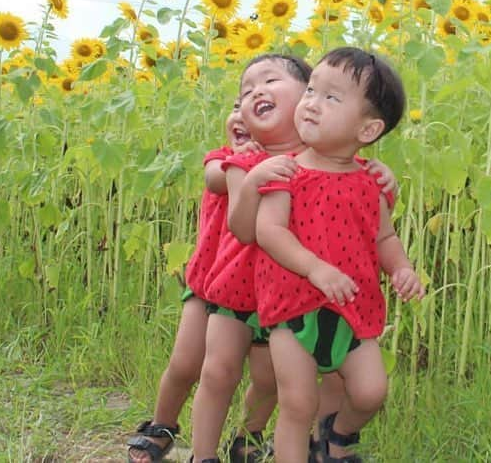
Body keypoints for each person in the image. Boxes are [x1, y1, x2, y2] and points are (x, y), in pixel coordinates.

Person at [189, 53, 398, 463]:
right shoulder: (249, 159)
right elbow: (243, 227)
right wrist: (251, 184)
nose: (254, 94)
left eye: (270, 84)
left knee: (274, 383)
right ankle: (202, 455)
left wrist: (387, 181)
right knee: (219, 372)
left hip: (292, 293)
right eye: (245, 92)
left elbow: (366, 214)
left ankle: (257, 439)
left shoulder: (333, 157)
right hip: (240, 285)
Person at [255, 47, 425, 463]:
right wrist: (315, 268)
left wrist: (402, 268)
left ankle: (338, 436)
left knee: (370, 391)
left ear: (367, 130)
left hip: (353, 305)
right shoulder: (287, 170)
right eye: (312, 90)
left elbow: (384, 237)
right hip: (294, 304)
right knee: (298, 404)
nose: (311, 102)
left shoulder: (371, 182)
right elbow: (268, 231)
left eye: (331, 98)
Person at [127, 97, 258, 463]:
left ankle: (249, 434)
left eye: (261, 109)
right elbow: (216, 178)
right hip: (207, 282)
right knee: (186, 363)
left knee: (266, 377)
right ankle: (162, 426)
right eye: (236, 105)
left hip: (263, 291)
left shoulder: (289, 165)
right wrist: (247, 160)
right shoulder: (220, 159)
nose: (242, 115)